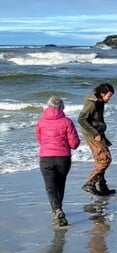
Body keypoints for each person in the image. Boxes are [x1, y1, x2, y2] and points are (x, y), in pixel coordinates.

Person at [36, 96, 80, 226]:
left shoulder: (40, 121)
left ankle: (56, 210)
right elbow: (74, 144)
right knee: (60, 184)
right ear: (61, 107)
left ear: (48, 107)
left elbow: (39, 139)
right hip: (63, 158)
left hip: (46, 157)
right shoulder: (67, 121)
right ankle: (58, 209)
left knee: (50, 186)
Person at [78, 83, 115, 196]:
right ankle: (89, 183)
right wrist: (95, 133)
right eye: (109, 96)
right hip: (93, 135)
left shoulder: (100, 102)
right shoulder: (92, 103)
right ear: (102, 94)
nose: (110, 98)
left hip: (99, 133)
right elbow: (81, 119)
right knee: (105, 160)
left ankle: (102, 186)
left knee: (101, 160)